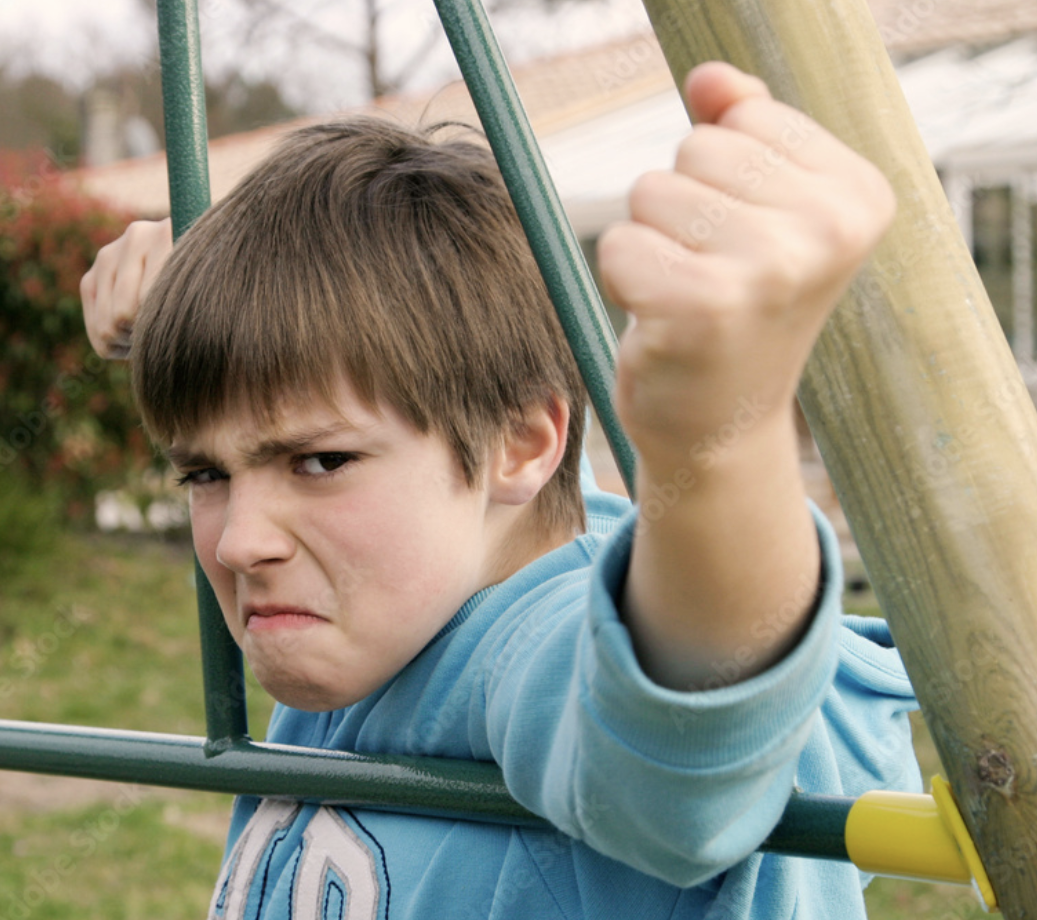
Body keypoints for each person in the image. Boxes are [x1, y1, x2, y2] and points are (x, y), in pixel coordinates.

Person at [80, 62, 920, 920]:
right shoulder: (408, 607)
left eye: (321, 462)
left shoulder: (529, 647)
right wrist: (198, 319)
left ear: (523, 444)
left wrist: (721, 437)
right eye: (205, 474)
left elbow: (678, 761)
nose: (238, 541)